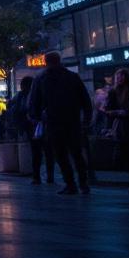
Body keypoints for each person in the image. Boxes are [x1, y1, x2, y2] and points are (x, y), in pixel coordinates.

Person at [31, 51, 93, 195]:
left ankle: (70, 184)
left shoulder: (42, 79)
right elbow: (85, 99)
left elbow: (35, 100)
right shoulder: (72, 77)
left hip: (54, 121)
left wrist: (36, 116)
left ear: (46, 62)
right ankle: (83, 183)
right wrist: (86, 118)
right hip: (72, 120)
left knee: (61, 155)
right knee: (76, 153)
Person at [17, 76, 54, 185]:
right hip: (43, 125)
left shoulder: (24, 96)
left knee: (37, 153)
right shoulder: (41, 93)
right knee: (47, 152)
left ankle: (37, 177)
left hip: (34, 126)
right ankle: (48, 177)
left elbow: (20, 110)